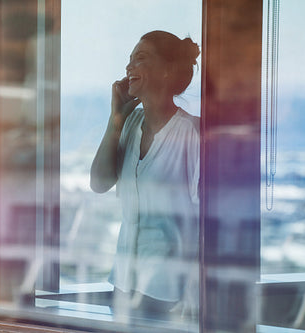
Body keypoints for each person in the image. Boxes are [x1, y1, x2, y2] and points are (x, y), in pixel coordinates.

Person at [90, 31, 200, 318]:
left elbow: (206, 221)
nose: (129, 68)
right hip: (124, 285)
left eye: (139, 59)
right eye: (129, 60)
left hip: (170, 294)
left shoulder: (192, 133)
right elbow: (99, 183)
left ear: (166, 71)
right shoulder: (129, 125)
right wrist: (115, 120)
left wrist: (194, 297)